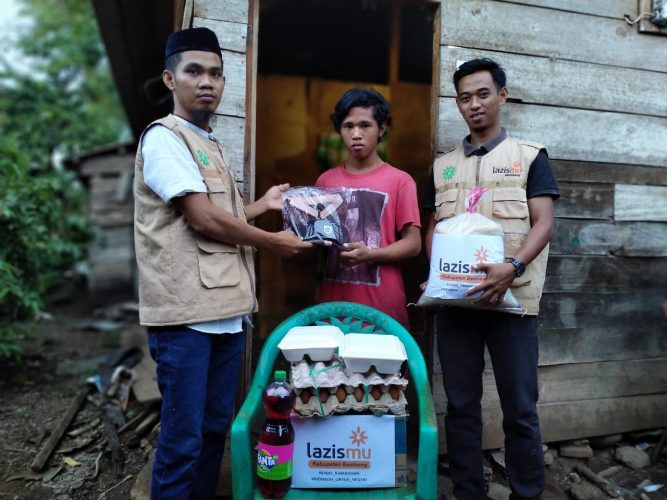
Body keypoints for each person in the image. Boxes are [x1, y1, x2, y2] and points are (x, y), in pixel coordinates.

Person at [133, 27, 311, 500]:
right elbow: (202, 218)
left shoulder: (208, 143)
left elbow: (222, 214)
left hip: (226, 313)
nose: (206, 81)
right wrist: (272, 242)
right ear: (171, 79)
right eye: (194, 71)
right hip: (186, 316)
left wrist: (261, 204)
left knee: (214, 431)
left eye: (215, 72)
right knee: (181, 442)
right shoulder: (165, 139)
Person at [422, 58, 560, 499]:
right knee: (460, 406)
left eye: (483, 94)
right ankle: (468, 492)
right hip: (458, 305)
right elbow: (433, 231)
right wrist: (436, 274)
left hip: (513, 303)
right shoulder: (443, 166)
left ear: (502, 95)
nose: (474, 104)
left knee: (520, 408)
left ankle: (527, 492)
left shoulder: (529, 157)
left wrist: (513, 268)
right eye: (465, 97)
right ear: (457, 104)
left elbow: (544, 223)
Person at [315, 88, 421, 328]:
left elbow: (413, 244)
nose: (356, 134)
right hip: (334, 303)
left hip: (382, 305)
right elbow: (315, 241)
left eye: (365, 125)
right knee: (330, 366)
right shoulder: (325, 182)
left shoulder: (400, 181)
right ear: (339, 130)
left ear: (382, 128)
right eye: (348, 126)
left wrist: (371, 254)